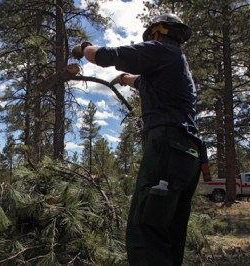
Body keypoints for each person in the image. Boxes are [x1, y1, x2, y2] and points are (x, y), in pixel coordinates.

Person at [72, 14, 203, 266]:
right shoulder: (176, 64)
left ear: (157, 33)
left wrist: (85, 48)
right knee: (169, 233)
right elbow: (139, 81)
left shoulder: (160, 51)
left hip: (167, 147)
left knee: (146, 231)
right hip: (187, 154)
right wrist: (123, 80)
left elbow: (107, 56)